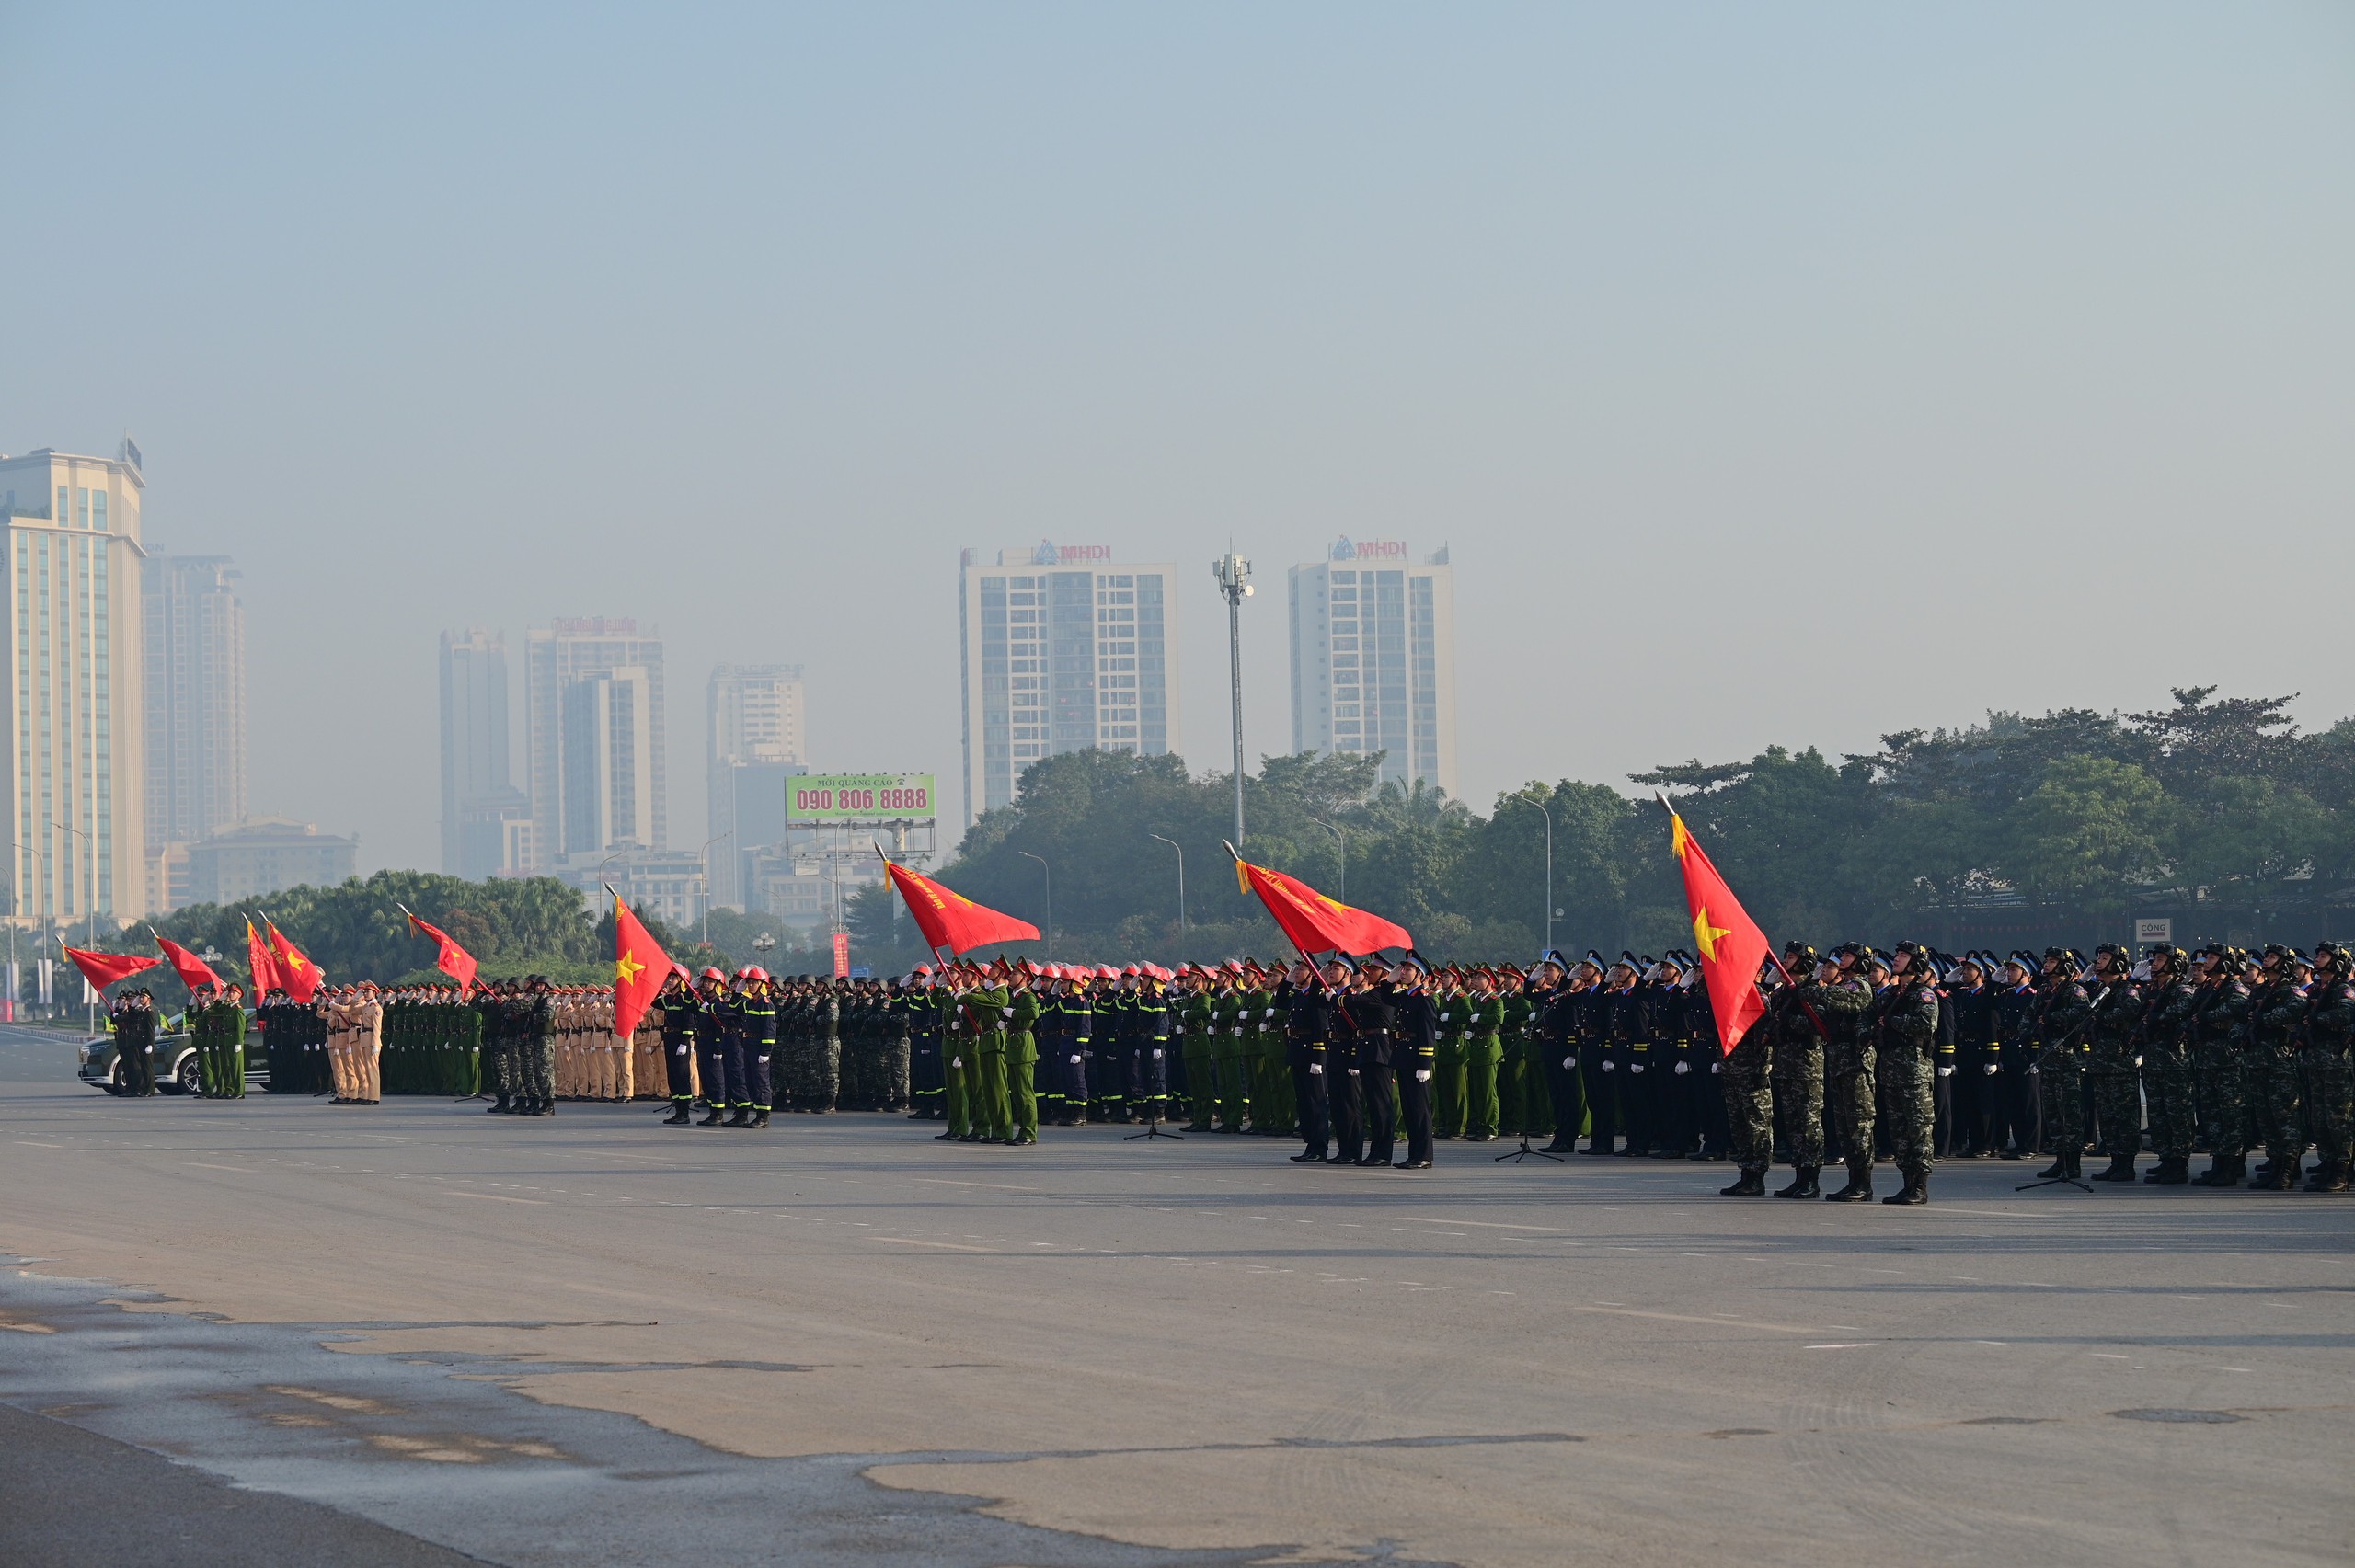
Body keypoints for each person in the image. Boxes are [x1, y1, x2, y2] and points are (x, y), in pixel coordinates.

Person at [1868, 943, 1942, 1205]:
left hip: (1914, 1073)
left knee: (1918, 1129)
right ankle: (1907, 1182)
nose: (1897, 959)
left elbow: (1925, 1024)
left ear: (1916, 963)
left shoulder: (1923, 995)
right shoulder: (1891, 995)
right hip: (1891, 1071)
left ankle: (1920, 1186)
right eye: (1897, 955)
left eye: (1903, 956)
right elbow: (1870, 1017)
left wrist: (1891, 1022)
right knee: (1899, 1131)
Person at [1717, 956, 1775, 1196]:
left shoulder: (1757, 997)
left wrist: (1764, 1069)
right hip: (1732, 1070)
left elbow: (1767, 1038)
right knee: (1739, 1125)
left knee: (1757, 1125)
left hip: (1751, 1072)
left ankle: (1757, 1177)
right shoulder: (1732, 996)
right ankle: (1745, 1173)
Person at [1351, 957, 1400, 1167]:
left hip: (1380, 1052)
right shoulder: (1374, 993)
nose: (1369, 972)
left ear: (1386, 974)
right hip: (1369, 1050)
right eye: (1370, 969)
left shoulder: (1380, 994)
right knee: (1373, 1105)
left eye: (1374, 969)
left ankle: (1383, 1153)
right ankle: (1376, 1152)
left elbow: (1356, 1001)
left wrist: (1335, 997)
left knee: (1381, 1106)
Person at [1391, 955, 1438, 1169]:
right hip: (1403, 1057)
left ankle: (1424, 1155)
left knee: (1420, 1109)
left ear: (1420, 974)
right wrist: (1390, 979)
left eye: (1408, 969)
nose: (1403, 972)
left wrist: (1424, 1064)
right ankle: (1413, 1155)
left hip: (1417, 1058)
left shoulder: (1425, 998)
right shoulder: (1404, 996)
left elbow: (1427, 1033)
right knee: (1410, 1109)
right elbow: (1384, 997)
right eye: (1403, 969)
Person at [111, 987, 158, 1096]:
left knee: (146, 1068)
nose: (141, 999)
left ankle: (148, 1090)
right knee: (135, 1067)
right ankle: (136, 1089)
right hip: (138, 1042)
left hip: (142, 1043)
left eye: (143, 997)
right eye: (140, 997)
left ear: (149, 999)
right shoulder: (141, 1011)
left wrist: (150, 1044)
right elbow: (127, 1016)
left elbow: (151, 1030)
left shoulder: (149, 1013)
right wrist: (117, 1008)